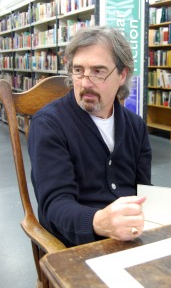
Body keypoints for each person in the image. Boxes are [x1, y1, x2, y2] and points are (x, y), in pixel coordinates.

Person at [28, 26, 152, 247]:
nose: (85, 82)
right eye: (78, 70)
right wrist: (98, 222)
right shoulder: (49, 125)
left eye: (98, 71)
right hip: (76, 245)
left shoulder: (136, 126)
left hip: (130, 238)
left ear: (122, 75)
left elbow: (143, 191)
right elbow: (55, 206)